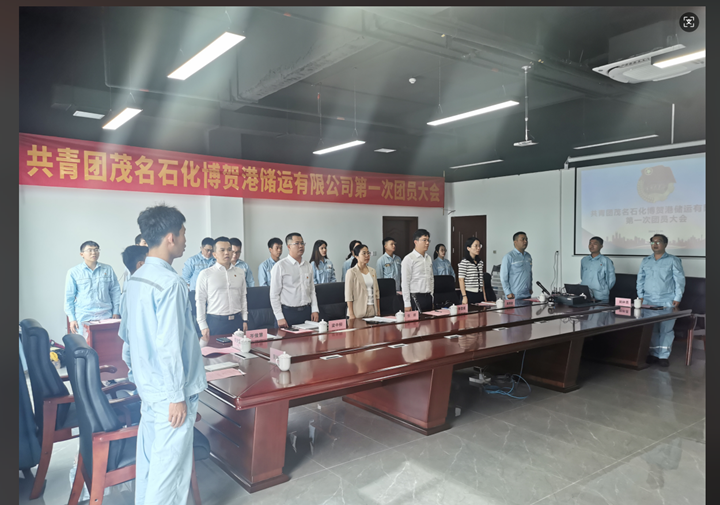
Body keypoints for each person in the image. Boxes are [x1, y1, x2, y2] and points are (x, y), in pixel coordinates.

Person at [119, 204, 206, 505]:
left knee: (151, 463)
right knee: (170, 473)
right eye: (183, 233)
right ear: (171, 237)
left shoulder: (135, 279)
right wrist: (176, 396)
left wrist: (138, 376)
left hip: (149, 387)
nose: (185, 240)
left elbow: (127, 339)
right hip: (171, 394)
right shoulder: (171, 284)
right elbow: (169, 346)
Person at [638, 234, 686, 367]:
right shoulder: (646, 261)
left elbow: (679, 281)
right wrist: (640, 295)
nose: (655, 244)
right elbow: (640, 279)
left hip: (667, 300)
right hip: (648, 300)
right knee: (651, 329)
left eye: (658, 242)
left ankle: (663, 356)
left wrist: (677, 298)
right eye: (652, 242)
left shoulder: (673, 260)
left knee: (666, 329)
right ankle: (653, 354)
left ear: (665, 244)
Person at [64, 241, 121, 338]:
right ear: (82, 254)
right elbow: (69, 297)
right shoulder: (73, 272)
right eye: (90, 250)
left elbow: (115, 292)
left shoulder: (108, 269)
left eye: (96, 250)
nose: (94, 253)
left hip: (106, 315)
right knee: (85, 345)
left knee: (106, 344)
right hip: (83, 316)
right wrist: (72, 319)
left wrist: (116, 311)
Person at [196, 237, 248, 338]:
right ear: (214, 254)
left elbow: (243, 297)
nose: (227, 253)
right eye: (222, 250)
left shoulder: (240, 272)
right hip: (216, 322)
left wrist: (245, 319)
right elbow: (200, 301)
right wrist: (202, 325)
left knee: (239, 348)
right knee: (216, 348)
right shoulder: (206, 274)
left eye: (229, 249)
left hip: (237, 321)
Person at [269, 233, 320, 328]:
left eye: (302, 243)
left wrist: (314, 309)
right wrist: (279, 317)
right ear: (289, 246)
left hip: (306, 312)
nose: (300, 246)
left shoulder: (308, 266)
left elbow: (312, 290)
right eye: (297, 243)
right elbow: (274, 294)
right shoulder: (280, 266)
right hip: (288, 313)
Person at [119, 245, 148, 384]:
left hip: (132, 345)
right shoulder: (139, 289)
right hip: (138, 348)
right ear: (141, 265)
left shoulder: (130, 287)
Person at [401, 229, 434, 312]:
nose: (427, 243)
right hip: (415, 298)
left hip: (428, 297)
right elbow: (405, 282)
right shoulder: (409, 259)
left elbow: (431, 278)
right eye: (424, 240)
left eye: (428, 240)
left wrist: (432, 295)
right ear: (416, 242)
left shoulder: (428, 258)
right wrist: (407, 303)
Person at [345, 243, 381, 319]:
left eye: (368, 253)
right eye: (364, 253)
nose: (367, 255)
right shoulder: (351, 272)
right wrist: (351, 314)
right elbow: (348, 295)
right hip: (358, 311)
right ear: (356, 256)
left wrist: (378, 310)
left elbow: (377, 292)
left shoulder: (372, 271)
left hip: (372, 309)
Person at [580, 236, 616, 302]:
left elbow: (611, 280)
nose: (592, 246)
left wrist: (604, 290)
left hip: (600, 295)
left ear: (601, 246)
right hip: (585, 294)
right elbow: (582, 276)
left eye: (595, 244)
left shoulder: (606, 260)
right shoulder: (584, 260)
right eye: (590, 243)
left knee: (600, 308)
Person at [500, 231, 533, 300]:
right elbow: (503, 277)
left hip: (527, 294)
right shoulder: (509, 257)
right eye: (523, 239)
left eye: (526, 239)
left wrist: (530, 288)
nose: (525, 241)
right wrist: (507, 292)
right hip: (514, 295)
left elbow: (529, 273)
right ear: (515, 242)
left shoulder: (528, 256)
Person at [458, 237, 487, 304]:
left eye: (479, 246)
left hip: (479, 293)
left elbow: (481, 279)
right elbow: (461, 280)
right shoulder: (464, 262)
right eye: (476, 246)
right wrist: (464, 296)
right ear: (468, 248)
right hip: (469, 293)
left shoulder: (480, 262)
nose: (478, 248)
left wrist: (484, 294)